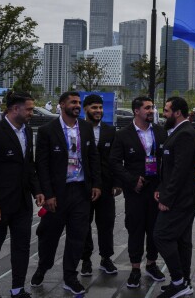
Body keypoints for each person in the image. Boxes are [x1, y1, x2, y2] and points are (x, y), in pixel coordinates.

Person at [30, 91, 102, 295]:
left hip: (81, 192)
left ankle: (70, 277)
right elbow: (41, 165)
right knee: (48, 235)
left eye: (79, 102)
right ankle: (43, 266)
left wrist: (96, 183)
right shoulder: (47, 130)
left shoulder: (86, 128)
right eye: (73, 102)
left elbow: (93, 157)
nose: (77, 105)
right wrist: (48, 193)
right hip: (57, 194)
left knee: (78, 235)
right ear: (62, 104)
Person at [0, 92, 45, 298]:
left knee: (22, 247)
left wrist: (37, 190)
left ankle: (17, 288)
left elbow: (29, 165)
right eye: (29, 109)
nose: (31, 113)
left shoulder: (26, 132)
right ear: (15, 109)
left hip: (22, 204)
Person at [109, 96, 167, 288]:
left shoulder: (160, 132)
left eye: (152, 107)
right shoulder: (123, 134)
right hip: (135, 190)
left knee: (154, 228)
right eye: (147, 108)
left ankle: (151, 263)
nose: (151, 111)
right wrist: (131, 180)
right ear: (136, 111)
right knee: (135, 228)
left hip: (155, 189)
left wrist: (162, 186)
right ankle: (135, 268)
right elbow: (115, 162)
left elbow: (166, 161)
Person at [154, 97, 195, 297]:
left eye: (166, 110)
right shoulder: (178, 132)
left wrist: (167, 198)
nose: (164, 114)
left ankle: (178, 281)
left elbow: (180, 171)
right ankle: (184, 283)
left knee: (161, 235)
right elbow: (170, 168)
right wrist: (161, 188)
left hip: (181, 199)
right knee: (181, 241)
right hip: (181, 197)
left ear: (178, 112)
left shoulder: (185, 134)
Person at [79, 94, 121, 277]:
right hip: (83, 186)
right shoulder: (78, 129)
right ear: (85, 109)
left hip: (106, 186)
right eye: (94, 108)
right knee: (83, 224)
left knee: (106, 224)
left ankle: (106, 258)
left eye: (100, 108)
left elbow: (117, 159)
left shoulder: (110, 131)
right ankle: (85, 259)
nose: (98, 111)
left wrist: (118, 183)